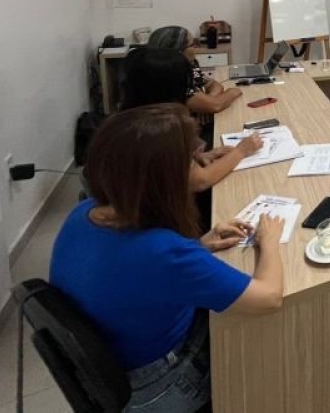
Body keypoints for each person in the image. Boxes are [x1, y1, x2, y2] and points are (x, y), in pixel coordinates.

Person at [50, 104, 284, 412]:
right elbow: (269, 297)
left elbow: (134, 275)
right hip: (159, 386)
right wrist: (269, 242)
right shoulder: (164, 252)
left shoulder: (83, 212)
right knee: (267, 330)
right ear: (164, 179)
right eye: (188, 161)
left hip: (112, 369)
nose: (197, 167)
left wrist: (201, 245)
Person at [121, 47, 263, 194]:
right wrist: (241, 151)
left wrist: (199, 156)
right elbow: (200, 181)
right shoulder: (158, 129)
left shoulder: (130, 115)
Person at [147, 25, 242, 116]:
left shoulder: (190, 64)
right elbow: (216, 106)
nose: (196, 48)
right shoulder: (170, 77)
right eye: (193, 45)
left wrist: (207, 100)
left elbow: (214, 85)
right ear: (178, 50)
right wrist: (232, 92)